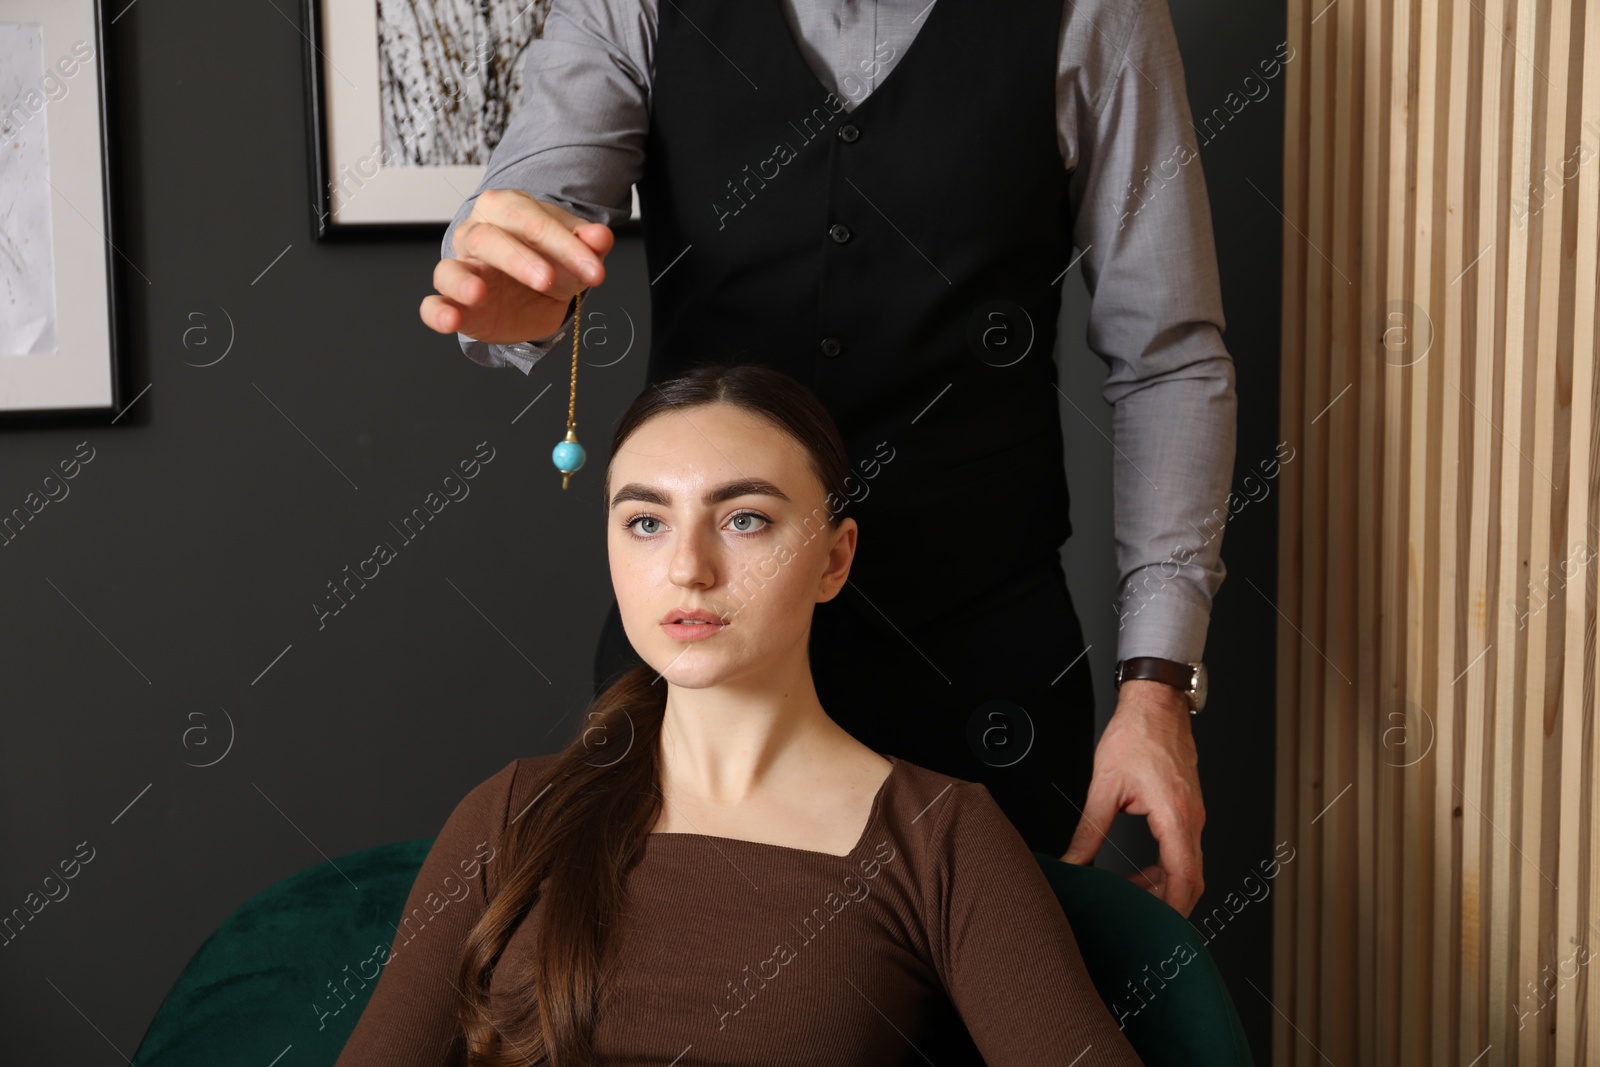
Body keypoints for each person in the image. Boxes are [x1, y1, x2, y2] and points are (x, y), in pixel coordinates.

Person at [422, 0, 1236, 919]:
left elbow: (1168, 358)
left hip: (980, 676)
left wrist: (1159, 688)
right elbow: (538, 209)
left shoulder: (1096, 12)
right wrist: (513, 277)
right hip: (702, 685)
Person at [334, 364, 1144, 1066]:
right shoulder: (512, 813)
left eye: (743, 518)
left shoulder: (939, 835)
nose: (689, 567)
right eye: (646, 522)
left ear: (834, 558)